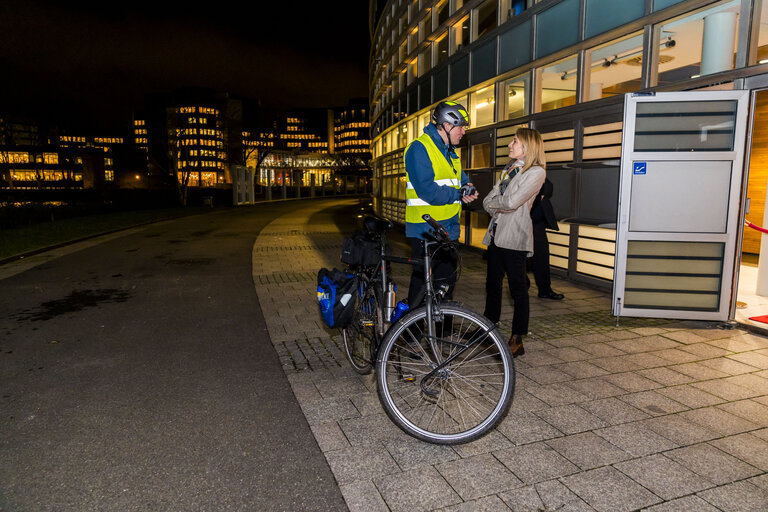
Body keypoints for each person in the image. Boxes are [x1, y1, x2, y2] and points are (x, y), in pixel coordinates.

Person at [404, 101, 479, 308]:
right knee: (422, 287)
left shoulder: (450, 151)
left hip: (448, 229)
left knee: (446, 285)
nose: (464, 132)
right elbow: (427, 190)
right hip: (425, 230)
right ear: (446, 126)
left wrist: (467, 187)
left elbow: (460, 179)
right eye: (461, 127)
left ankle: (443, 333)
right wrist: (458, 193)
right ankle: (412, 334)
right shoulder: (419, 149)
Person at [482, 128, 546, 358]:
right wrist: (498, 204)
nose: (510, 145)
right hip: (496, 233)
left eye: (515, 141)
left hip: (515, 236)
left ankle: (517, 338)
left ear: (528, 146)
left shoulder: (536, 172)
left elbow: (511, 202)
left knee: (518, 288)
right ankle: (487, 329)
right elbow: (487, 201)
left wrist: (498, 204)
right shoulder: (509, 170)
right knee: (492, 284)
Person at [530, 179, 564, 300]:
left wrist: (540, 193)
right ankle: (520, 286)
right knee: (519, 258)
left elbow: (549, 186)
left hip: (538, 225)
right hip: (522, 223)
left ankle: (545, 290)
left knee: (542, 258)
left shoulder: (539, 171)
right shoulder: (516, 171)